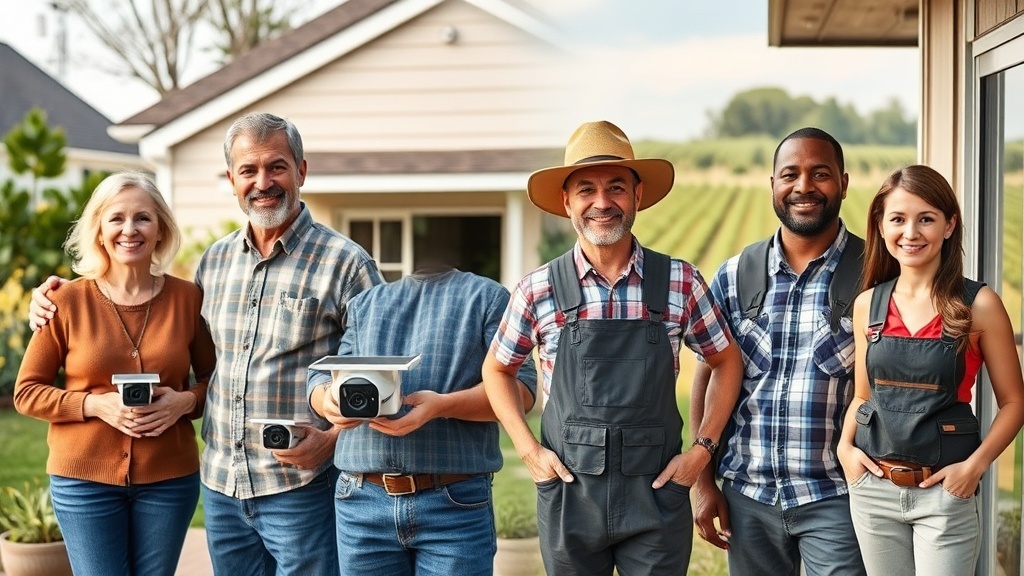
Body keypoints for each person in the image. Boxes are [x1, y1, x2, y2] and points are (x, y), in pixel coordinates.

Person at [29, 112, 384, 576]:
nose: (262, 182)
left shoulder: (346, 263)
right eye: (248, 170)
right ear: (232, 180)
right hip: (222, 489)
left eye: (276, 167)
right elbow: (212, 374)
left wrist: (333, 441)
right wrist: (48, 303)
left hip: (299, 485)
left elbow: (378, 374)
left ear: (301, 171)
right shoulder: (214, 263)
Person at [483, 120, 744, 576]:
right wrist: (528, 451)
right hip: (570, 496)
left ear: (637, 195)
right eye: (586, 190)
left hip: (657, 495)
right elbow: (497, 370)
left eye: (616, 188)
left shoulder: (680, 281)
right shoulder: (538, 288)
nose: (602, 203)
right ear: (567, 201)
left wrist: (702, 450)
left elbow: (726, 360)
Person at [14, 171, 215, 576]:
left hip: (169, 480)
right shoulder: (64, 300)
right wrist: (94, 405)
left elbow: (217, 382)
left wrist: (184, 402)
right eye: (116, 218)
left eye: (143, 218)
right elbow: (26, 392)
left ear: (160, 229)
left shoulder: (188, 298)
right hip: (83, 481)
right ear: (100, 231)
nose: (130, 229)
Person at [690, 127, 868, 576]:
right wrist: (703, 480)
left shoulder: (875, 274)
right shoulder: (734, 275)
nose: (804, 186)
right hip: (748, 499)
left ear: (844, 183)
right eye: (790, 175)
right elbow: (707, 376)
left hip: (839, 498)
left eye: (820, 174)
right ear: (773, 185)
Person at [836, 165, 1024, 575]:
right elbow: (864, 396)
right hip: (873, 492)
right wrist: (844, 449)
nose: (911, 232)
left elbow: (1014, 403)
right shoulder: (868, 305)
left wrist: (974, 468)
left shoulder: (979, 305)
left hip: (945, 495)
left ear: (949, 225)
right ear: (881, 226)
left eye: (926, 219)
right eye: (898, 219)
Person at [306, 259, 538, 575]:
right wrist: (328, 401)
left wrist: (443, 406)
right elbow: (322, 374)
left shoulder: (487, 298)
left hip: (453, 505)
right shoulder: (364, 305)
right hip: (361, 502)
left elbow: (522, 390)